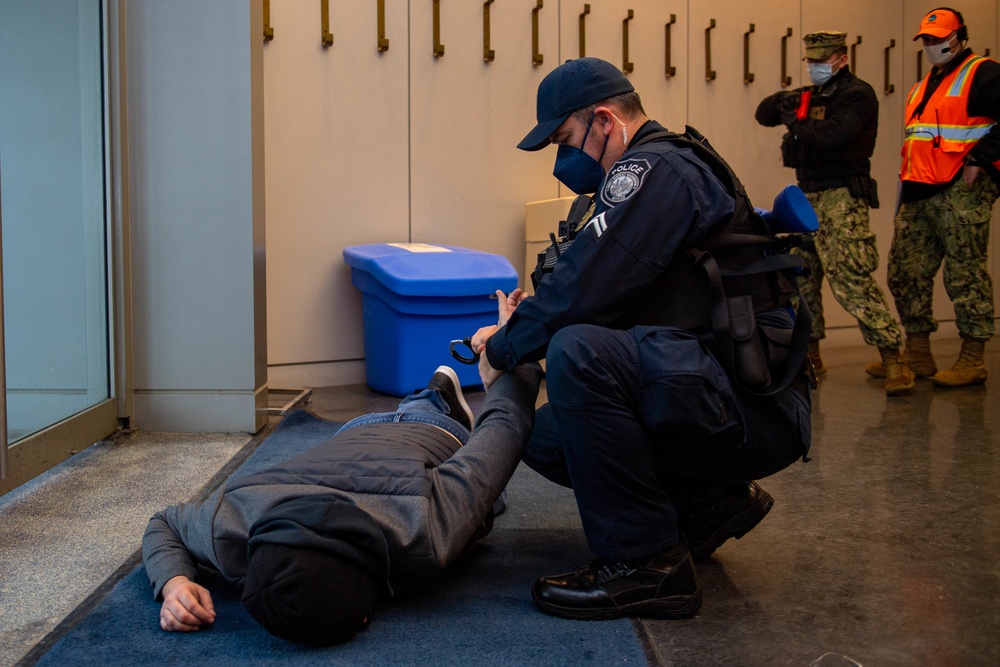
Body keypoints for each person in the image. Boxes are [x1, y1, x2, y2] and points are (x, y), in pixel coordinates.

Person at [472, 57, 812, 621]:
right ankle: (706, 506)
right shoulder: (655, 173)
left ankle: (646, 566)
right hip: (721, 391)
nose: (562, 161)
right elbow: (606, 286)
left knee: (577, 352)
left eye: (564, 140)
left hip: (755, 409)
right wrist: (531, 317)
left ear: (604, 121)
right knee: (551, 433)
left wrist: (504, 348)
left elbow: (582, 291)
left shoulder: (657, 171)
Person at [141, 345, 542, 646]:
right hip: (355, 433)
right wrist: (174, 583)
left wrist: (511, 352)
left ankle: (436, 402)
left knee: (488, 502)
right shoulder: (231, 518)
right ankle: (429, 397)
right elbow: (163, 522)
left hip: (432, 432)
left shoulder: (424, 529)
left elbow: (506, 426)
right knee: (476, 496)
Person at [755, 31, 913, 395]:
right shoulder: (810, 96)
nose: (815, 67)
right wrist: (784, 101)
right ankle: (809, 354)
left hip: (842, 196)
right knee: (800, 278)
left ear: (842, 58)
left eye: (821, 61)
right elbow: (763, 113)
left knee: (851, 280)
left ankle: (894, 359)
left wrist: (794, 121)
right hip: (807, 197)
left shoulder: (857, 94)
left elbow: (835, 136)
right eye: (810, 61)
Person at [875, 7, 999, 387]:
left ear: (958, 36)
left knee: (965, 275)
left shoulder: (983, 72)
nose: (931, 45)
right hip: (918, 190)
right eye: (926, 40)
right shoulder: (923, 85)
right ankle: (918, 352)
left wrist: (979, 159)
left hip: (961, 191)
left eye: (938, 38)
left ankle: (973, 358)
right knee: (904, 272)